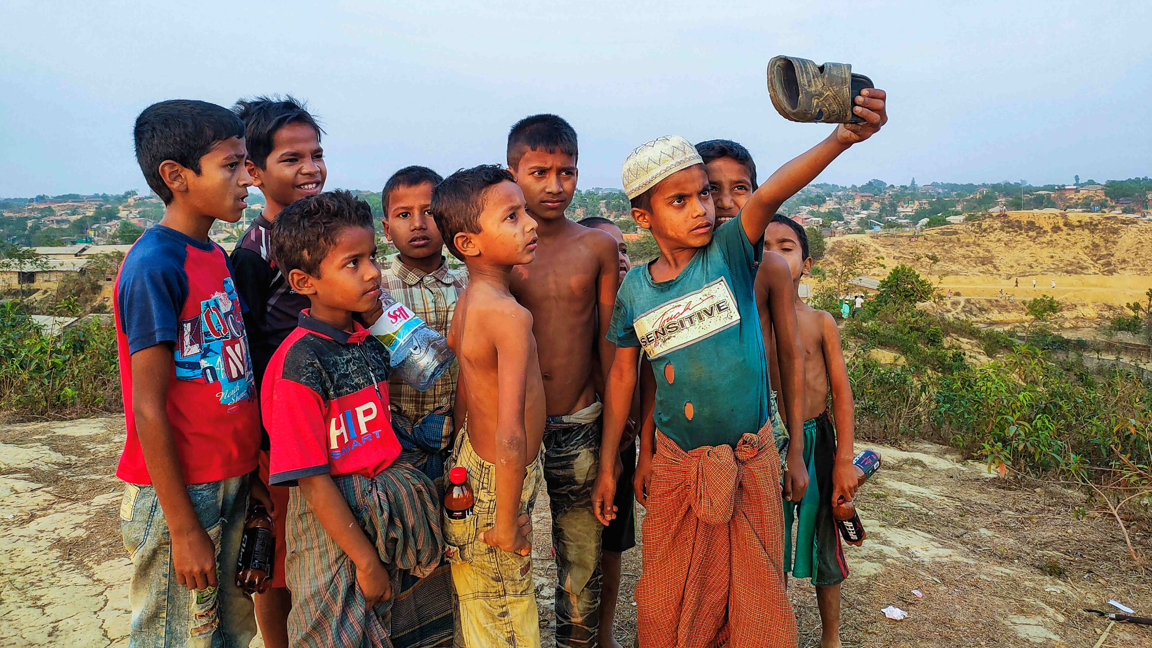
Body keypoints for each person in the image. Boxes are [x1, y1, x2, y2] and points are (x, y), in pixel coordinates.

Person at [593, 84, 887, 648]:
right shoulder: (635, 290)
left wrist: (843, 137)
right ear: (642, 215)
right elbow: (626, 377)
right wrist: (618, 462)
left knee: (754, 598)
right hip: (678, 466)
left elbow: (774, 190)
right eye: (679, 201)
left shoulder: (731, 252)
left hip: (752, 459)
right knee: (672, 595)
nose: (703, 208)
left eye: (703, 195)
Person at [262, 191, 444, 648]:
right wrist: (364, 560)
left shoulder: (366, 339)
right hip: (334, 527)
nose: (373, 272)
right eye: (352, 263)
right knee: (335, 633)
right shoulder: (299, 365)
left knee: (402, 628)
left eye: (372, 257)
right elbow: (313, 479)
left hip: (386, 507)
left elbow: (426, 363)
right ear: (305, 281)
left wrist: (378, 317)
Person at [115, 99, 266, 647]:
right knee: (176, 636)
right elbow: (147, 404)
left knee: (226, 633)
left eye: (246, 163)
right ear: (176, 177)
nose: (247, 177)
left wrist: (249, 473)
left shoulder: (212, 256)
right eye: (231, 165)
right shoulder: (155, 266)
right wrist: (182, 528)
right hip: (179, 492)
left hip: (227, 478)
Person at [505, 114, 621, 648]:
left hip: (579, 421)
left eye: (566, 173)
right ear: (513, 171)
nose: (555, 186)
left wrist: (615, 442)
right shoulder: (501, 251)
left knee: (581, 555)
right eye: (540, 172)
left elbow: (608, 347)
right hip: (516, 430)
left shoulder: (594, 249)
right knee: (509, 549)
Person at [228, 95, 329, 648]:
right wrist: (255, 451)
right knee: (279, 551)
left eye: (316, 154)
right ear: (253, 170)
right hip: (278, 432)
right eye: (292, 159)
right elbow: (238, 354)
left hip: (330, 421)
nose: (310, 168)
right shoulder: (253, 254)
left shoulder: (326, 240)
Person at [433, 165, 546, 648]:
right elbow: (510, 431)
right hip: (497, 471)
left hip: (475, 464)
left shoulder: (471, 298)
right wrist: (504, 521)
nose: (531, 223)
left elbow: (464, 390)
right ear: (469, 243)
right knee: (505, 604)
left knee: (483, 601)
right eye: (513, 216)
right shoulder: (509, 315)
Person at [379, 165, 466, 648]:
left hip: (457, 439)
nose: (418, 223)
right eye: (403, 214)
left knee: (457, 545)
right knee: (407, 549)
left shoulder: (469, 283)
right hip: (398, 446)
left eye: (429, 212)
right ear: (386, 227)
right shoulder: (378, 290)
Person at [765, 215, 858, 648]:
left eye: (786, 247)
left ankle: (831, 638)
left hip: (817, 441)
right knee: (770, 544)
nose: (775, 255)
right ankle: (775, 634)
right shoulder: (751, 323)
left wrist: (844, 461)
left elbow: (841, 393)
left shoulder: (821, 321)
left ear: (806, 263)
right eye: (764, 246)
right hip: (765, 443)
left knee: (825, 539)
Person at [696, 138, 805, 464]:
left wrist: (796, 448)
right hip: (689, 424)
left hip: (756, 423)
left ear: (756, 195)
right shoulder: (675, 269)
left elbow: (790, 356)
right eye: (712, 189)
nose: (727, 201)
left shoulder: (770, 269)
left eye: (740, 188)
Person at [576, 216, 644, 648]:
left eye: (623, 249)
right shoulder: (578, 311)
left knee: (613, 543)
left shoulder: (641, 300)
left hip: (627, 439)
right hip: (585, 435)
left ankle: (604, 635)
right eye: (608, 249)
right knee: (581, 543)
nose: (618, 258)